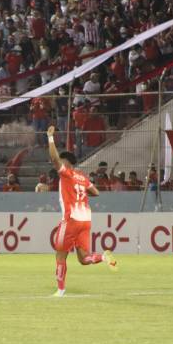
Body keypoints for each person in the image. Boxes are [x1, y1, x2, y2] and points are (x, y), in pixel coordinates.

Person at [46, 126, 116, 298]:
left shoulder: (67, 173)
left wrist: (50, 138)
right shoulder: (82, 177)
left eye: (62, 161)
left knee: (60, 255)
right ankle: (103, 257)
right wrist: (83, 192)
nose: (58, 164)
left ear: (67, 163)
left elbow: (54, 158)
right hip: (85, 219)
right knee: (84, 259)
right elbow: (96, 192)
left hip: (71, 219)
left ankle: (60, 290)